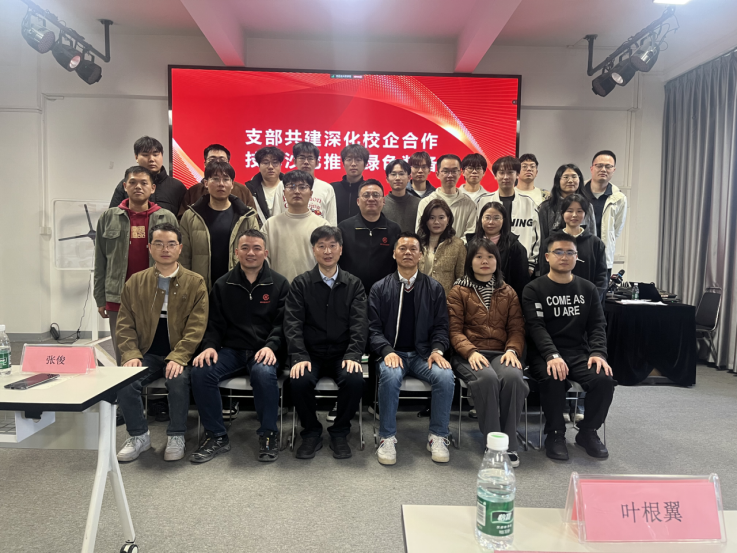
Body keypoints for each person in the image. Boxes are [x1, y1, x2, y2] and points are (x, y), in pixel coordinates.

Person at [190, 229, 290, 464]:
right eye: (245, 248)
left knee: (263, 373)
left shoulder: (280, 283)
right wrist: (210, 346)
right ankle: (216, 435)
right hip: (231, 351)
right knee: (201, 371)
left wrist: (272, 346)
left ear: (265, 253)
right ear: (236, 252)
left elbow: (283, 324)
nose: (250, 253)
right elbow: (214, 323)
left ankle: (268, 433)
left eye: (256, 248)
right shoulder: (223, 284)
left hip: (264, 350)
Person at [115, 223, 208, 462]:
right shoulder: (136, 282)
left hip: (180, 353)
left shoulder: (195, 282)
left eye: (171, 244)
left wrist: (179, 356)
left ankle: (176, 435)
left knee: (177, 380)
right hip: (146, 353)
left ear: (180, 248)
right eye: (158, 244)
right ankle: (138, 436)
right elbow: (124, 324)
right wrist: (130, 354)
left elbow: (197, 327)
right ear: (149, 247)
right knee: (125, 381)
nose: (165, 249)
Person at [521, 231, 615, 461]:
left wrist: (598, 353)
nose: (564, 257)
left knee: (604, 379)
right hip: (543, 354)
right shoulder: (534, 289)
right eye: (559, 252)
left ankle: (588, 431)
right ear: (547, 257)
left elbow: (597, 325)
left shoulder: (588, 289)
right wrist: (552, 355)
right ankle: (555, 434)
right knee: (554, 377)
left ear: (577, 256)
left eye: (570, 252)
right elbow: (536, 327)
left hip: (578, 352)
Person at [369, 232, 454, 465]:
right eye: (402, 248)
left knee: (445, 376)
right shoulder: (379, 288)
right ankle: (387, 438)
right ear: (394, 253)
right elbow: (373, 329)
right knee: (389, 375)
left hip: (423, 355)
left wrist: (437, 350)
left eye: (413, 249)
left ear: (421, 255)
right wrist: (387, 351)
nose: (408, 252)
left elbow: (441, 326)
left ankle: (438, 436)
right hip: (392, 353)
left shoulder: (434, 288)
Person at [285, 226, 367, 459]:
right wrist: (299, 355)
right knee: (298, 380)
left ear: (341, 249)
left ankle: (340, 431)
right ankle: (311, 432)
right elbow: (292, 323)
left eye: (332, 245)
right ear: (314, 250)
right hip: (310, 353)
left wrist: (353, 354)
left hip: (342, 353)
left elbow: (360, 324)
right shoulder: (300, 284)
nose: (327, 251)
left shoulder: (354, 284)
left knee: (354, 379)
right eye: (321, 246)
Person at [447, 238, 527, 465]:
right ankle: (493, 445)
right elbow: (453, 331)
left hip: (501, 353)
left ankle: (509, 444)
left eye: (490, 257)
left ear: (497, 261)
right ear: (470, 261)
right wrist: (471, 352)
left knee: (513, 378)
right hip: (469, 354)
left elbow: (517, 328)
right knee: (487, 379)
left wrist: (512, 350)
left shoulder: (508, 291)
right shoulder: (458, 291)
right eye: (479, 256)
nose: (485, 261)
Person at [95, 166, 178, 365]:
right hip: (118, 296)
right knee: (123, 354)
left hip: (157, 295)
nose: (138, 187)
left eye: (144, 183)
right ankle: (126, 386)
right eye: (132, 182)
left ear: (153, 188)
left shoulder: (166, 217)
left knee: (154, 353)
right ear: (125, 186)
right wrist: (100, 297)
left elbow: (176, 259)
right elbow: (100, 259)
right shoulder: (108, 217)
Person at [179, 160, 260, 290]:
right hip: (201, 287)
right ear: (206, 183)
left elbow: (255, 255)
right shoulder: (190, 216)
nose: (221, 184)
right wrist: (186, 286)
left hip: (238, 287)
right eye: (215, 179)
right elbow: (183, 255)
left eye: (226, 179)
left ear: (232, 184)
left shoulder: (247, 217)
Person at [261, 170, 329, 282]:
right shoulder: (270, 225)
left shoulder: (322, 225)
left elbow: (328, 262)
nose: (297, 191)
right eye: (291, 187)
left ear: (311, 193)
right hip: (279, 288)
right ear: (284, 193)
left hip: (312, 288)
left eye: (302, 187)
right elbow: (263, 260)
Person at [338, 179, 402, 296]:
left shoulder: (394, 229)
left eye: (376, 195)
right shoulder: (344, 228)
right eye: (366, 195)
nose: (371, 199)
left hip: (385, 293)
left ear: (383, 201)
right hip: (350, 293)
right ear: (358, 201)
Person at [539, 194, 608, 301]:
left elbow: (602, 276)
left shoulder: (596, 243)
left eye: (579, 211)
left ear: (585, 214)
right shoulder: (551, 242)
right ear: (562, 213)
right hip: (558, 300)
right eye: (570, 211)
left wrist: (592, 298)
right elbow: (544, 272)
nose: (574, 215)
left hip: (588, 300)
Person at [480, 156, 540, 276]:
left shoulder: (528, 203)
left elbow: (536, 235)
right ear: (495, 175)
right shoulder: (483, 201)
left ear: (517, 174)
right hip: (488, 262)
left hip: (520, 261)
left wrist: (531, 263)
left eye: (510, 172)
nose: (506, 177)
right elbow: (477, 231)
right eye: (501, 173)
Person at [109, 136, 186, 216]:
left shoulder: (177, 187)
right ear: (136, 157)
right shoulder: (127, 184)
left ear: (162, 156)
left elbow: (184, 219)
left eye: (155, 154)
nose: (151, 159)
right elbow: (112, 216)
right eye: (145, 155)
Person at [467, 202, 529, 299]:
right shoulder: (471, 244)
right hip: (475, 297)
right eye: (487, 217)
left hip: (505, 298)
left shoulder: (515, 246)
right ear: (481, 219)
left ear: (504, 220)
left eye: (496, 218)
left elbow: (521, 281)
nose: (491, 222)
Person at [177, 144, 258, 218]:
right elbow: (183, 220)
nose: (217, 163)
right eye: (212, 160)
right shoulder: (193, 191)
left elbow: (253, 218)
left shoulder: (242, 190)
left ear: (228, 164)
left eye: (222, 160)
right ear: (205, 164)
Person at [584, 150, 628, 280]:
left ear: (613, 170)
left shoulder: (619, 198)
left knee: (600, 292)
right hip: (579, 255)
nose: (603, 169)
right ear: (592, 168)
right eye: (599, 165)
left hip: (603, 256)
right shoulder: (578, 192)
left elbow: (616, 229)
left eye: (608, 166)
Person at [416, 154, 477, 238]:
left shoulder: (469, 204)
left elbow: (470, 234)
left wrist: (455, 245)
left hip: (460, 247)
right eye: (446, 171)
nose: (450, 175)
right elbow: (420, 232)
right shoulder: (426, 202)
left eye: (454, 171)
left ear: (460, 173)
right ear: (437, 174)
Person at [538, 164, 597, 244]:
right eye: (566, 177)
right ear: (558, 181)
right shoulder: (547, 207)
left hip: (582, 250)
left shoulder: (588, 206)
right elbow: (543, 238)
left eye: (574, 177)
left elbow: (592, 235)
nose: (570, 181)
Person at [417, 199, 466, 293]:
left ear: (448, 219)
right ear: (426, 220)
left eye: (441, 217)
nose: (436, 222)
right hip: (420, 296)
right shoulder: (418, 243)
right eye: (432, 218)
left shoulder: (458, 244)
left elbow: (461, 277)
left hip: (445, 298)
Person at [284, 141, 337, 225]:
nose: (306, 162)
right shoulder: (283, 185)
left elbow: (331, 221)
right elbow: (277, 216)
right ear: (294, 161)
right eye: (302, 157)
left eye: (310, 158)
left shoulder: (327, 188)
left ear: (317, 162)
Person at [245, 146, 285, 223]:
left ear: (280, 165)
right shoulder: (249, 189)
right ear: (259, 166)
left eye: (275, 162)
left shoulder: (290, 186)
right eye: (266, 163)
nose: (270, 167)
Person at [332, 144, 368, 223]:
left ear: (365, 164)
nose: (353, 164)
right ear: (343, 163)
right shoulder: (332, 188)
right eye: (349, 159)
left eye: (358, 160)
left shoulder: (368, 190)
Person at [382, 158, 421, 232]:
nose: (397, 178)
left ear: (409, 178)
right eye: (393, 174)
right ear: (387, 179)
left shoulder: (419, 203)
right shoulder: (380, 204)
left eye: (401, 174)